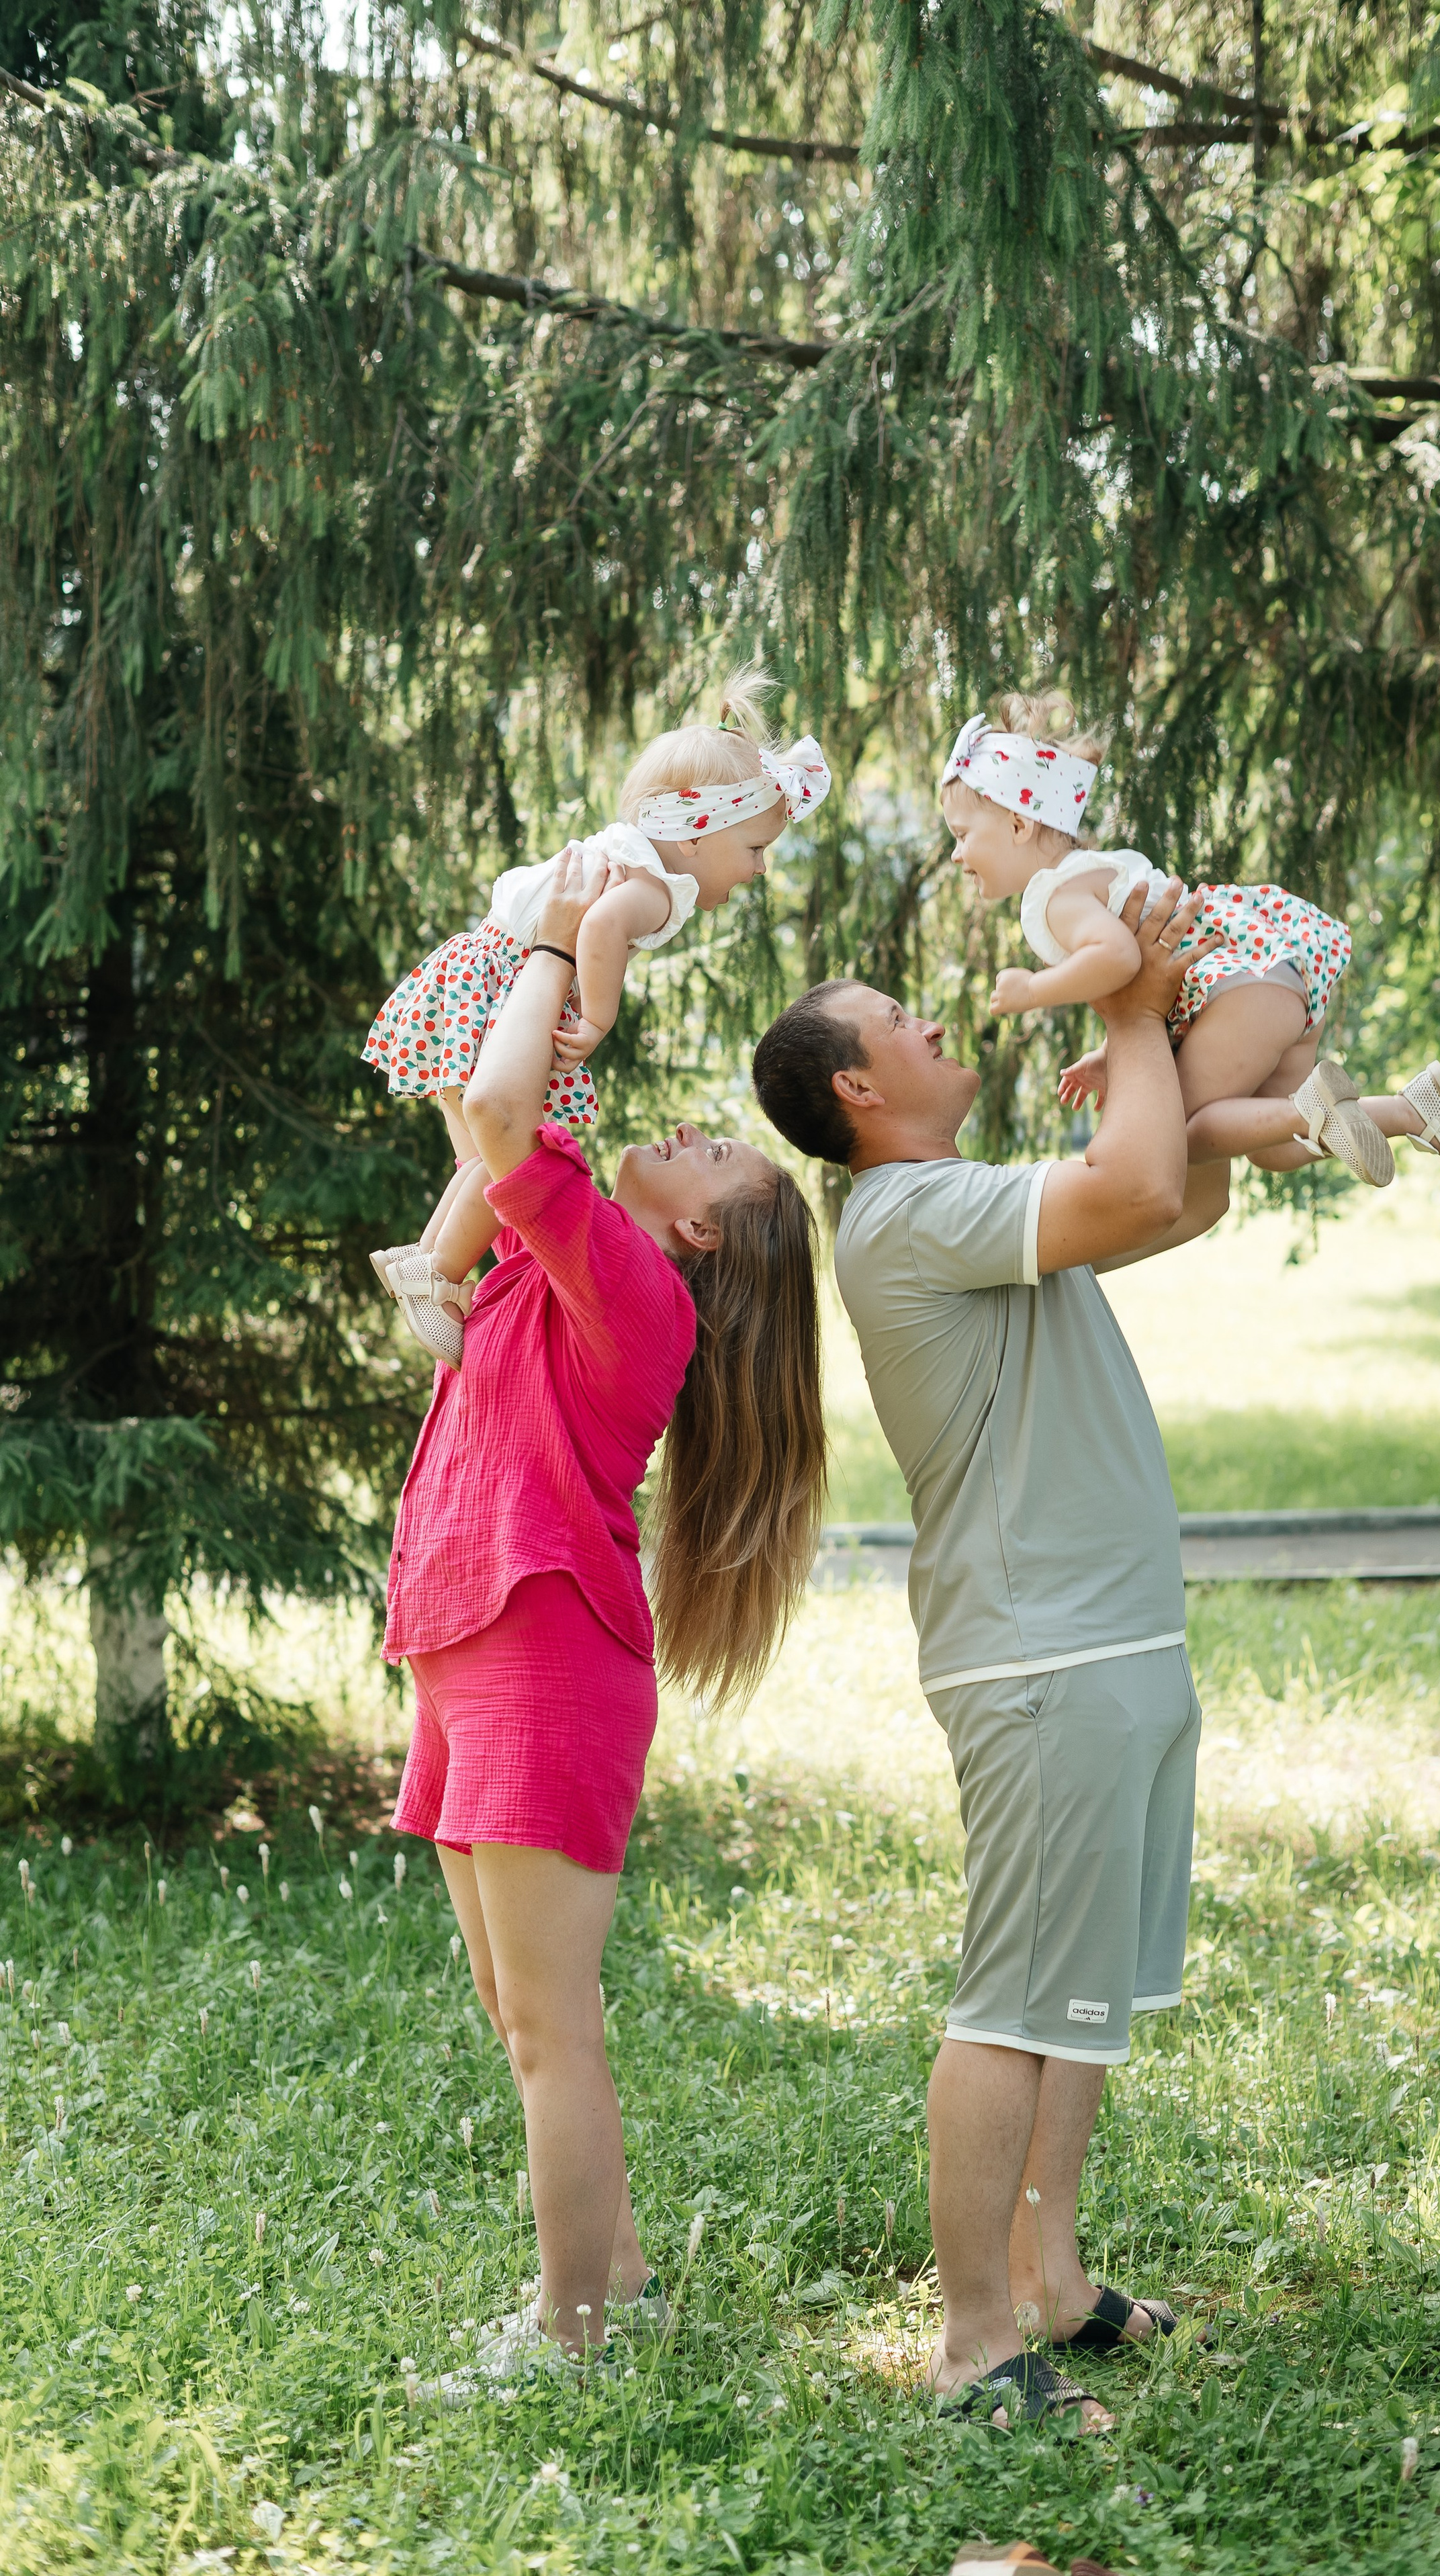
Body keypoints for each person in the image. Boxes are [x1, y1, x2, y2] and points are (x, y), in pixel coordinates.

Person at [751, 877, 1228, 2432]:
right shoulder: (908, 1212)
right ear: (856, 1087)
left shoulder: (957, 1206)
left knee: (1073, 1990)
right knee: (1014, 1999)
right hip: (1041, 1656)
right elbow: (1138, 1185)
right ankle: (970, 2345)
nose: (937, 1020)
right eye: (901, 1020)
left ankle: (1050, 2279)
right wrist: (1126, 1008)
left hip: (1105, 1637)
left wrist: (1176, 1038)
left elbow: (1178, 1196)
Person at [385, 846, 826, 2389]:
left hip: (544, 1654)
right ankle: (616, 2276)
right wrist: (543, 932)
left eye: (715, 1156)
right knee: (516, 2007)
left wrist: (561, 955)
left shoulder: (633, 1287)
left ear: (705, 1236)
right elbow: (480, 1116)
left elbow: (505, 1110)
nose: (688, 1129)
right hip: (472, 1638)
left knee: (545, 2027)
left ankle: (573, 2331)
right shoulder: (571, 1241)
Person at [363, 670, 831, 1365]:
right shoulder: (658, 889)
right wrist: (599, 1019)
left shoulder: (635, 859)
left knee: (491, 1155)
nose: (759, 869)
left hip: (478, 971)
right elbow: (604, 926)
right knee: (519, 1147)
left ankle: (426, 1262)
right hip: (507, 984)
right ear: (696, 834)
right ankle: (439, 1274)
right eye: (755, 849)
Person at [942, 695, 1440, 1193]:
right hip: (1279, 977)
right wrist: (1110, 1055)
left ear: (1019, 826)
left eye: (963, 835)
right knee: (1275, 1148)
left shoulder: (1056, 896)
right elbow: (1147, 980)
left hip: (1240, 993)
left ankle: (1320, 1109)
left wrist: (1033, 989)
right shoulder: (1098, 871)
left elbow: (1121, 958)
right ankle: (1413, 1110)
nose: (956, 854)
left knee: (1174, 1135)